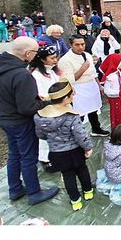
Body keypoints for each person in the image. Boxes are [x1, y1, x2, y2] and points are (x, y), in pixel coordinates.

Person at [0, 37, 60, 205]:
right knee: (28, 157)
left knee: (14, 154)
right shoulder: (22, 75)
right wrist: (47, 102)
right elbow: (27, 107)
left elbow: (11, 93)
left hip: (4, 118)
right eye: (35, 52)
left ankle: (15, 188)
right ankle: (34, 192)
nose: (36, 55)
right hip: (20, 122)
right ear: (28, 53)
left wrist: (32, 97)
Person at [33, 80, 94, 212]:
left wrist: (53, 140)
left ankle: (75, 200)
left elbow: (40, 134)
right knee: (82, 171)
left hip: (56, 153)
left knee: (67, 176)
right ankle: (88, 191)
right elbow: (80, 135)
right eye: (72, 94)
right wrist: (88, 147)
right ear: (66, 98)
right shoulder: (71, 115)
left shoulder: (40, 116)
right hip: (75, 152)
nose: (73, 96)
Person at [58, 35, 109, 137]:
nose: (80, 47)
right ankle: (77, 134)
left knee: (93, 109)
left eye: (82, 44)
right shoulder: (65, 60)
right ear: (71, 45)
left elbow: (94, 73)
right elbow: (69, 79)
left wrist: (99, 85)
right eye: (77, 45)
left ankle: (96, 128)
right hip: (78, 88)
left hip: (91, 85)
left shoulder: (87, 55)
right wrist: (83, 68)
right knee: (79, 112)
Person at [29, 44, 62, 171]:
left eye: (55, 57)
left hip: (57, 106)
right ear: (42, 60)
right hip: (46, 108)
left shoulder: (52, 71)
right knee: (47, 135)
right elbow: (41, 95)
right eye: (52, 58)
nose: (55, 60)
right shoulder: (36, 75)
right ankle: (45, 158)